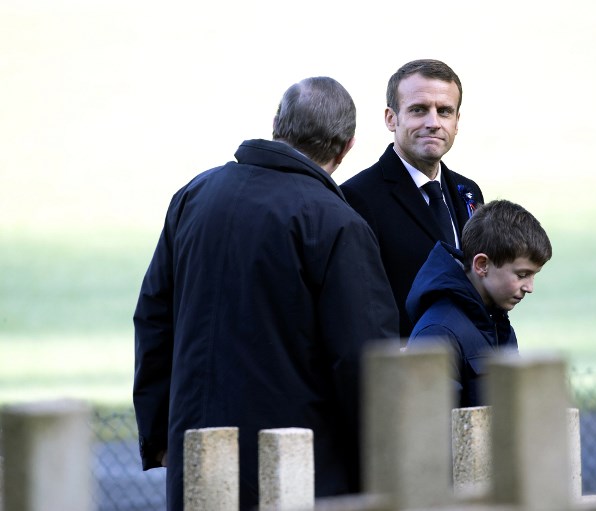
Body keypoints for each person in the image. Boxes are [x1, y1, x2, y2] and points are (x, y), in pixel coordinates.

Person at [132, 76, 399, 511]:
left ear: (277, 122)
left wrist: (161, 434)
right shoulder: (337, 223)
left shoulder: (195, 195)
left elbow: (153, 317)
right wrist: (380, 462)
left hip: (197, 455)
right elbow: (362, 359)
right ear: (347, 146)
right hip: (297, 471)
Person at [340, 59, 485, 339]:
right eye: (419, 110)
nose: (433, 123)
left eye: (445, 111)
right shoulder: (357, 198)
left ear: (457, 122)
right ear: (390, 118)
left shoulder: (468, 192)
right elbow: (356, 303)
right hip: (404, 370)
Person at [405, 200, 552, 407]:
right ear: (482, 265)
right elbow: (432, 431)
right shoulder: (437, 334)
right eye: (522, 275)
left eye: (533, 275)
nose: (529, 287)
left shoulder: (497, 322)